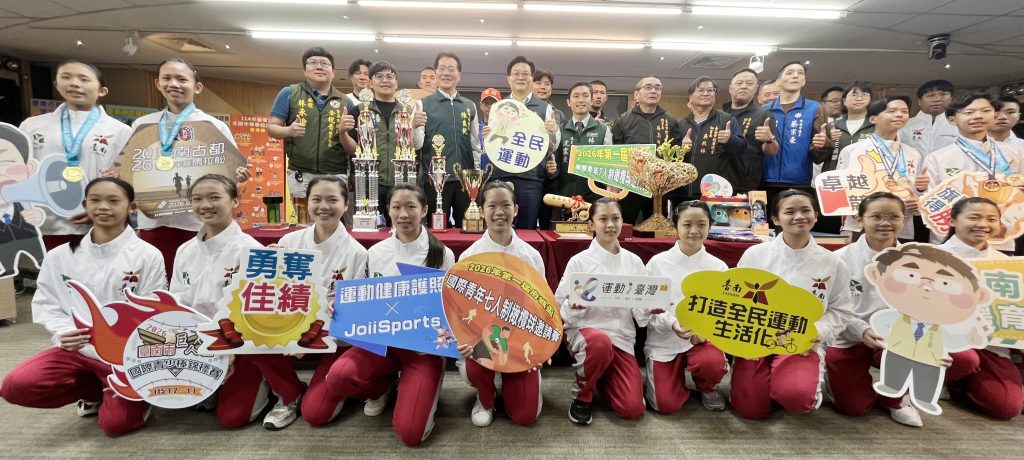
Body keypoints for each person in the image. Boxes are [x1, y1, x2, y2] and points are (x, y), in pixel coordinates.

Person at [0, 178, 164, 436]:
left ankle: (136, 396)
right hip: (78, 348)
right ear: (85, 205)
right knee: (15, 386)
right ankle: (93, 389)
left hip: (124, 357)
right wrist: (63, 331)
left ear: (131, 207)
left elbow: (153, 307)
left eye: (113, 201)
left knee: (116, 425)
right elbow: (46, 302)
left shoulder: (148, 254)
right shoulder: (60, 255)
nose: (103, 207)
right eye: (95, 200)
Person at [325, 184, 454, 446]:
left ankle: (427, 382)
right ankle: (381, 388)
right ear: (388, 210)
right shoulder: (376, 253)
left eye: (411, 207)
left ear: (424, 210)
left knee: (411, 434)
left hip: (422, 350)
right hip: (380, 344)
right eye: (397, 207)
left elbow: (449, 307)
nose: (403, 214)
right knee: (338, 377)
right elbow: (362, 299)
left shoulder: (442, 254)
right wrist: (339, 305)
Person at [171, 174, 302, 429]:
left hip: (242, 346)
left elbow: (259, 319)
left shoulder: (251, 250)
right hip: (198, 342)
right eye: (197, 199)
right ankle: (217, 386)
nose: (205, 205)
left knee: (233, 418)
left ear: (234, 201)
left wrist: (227, 349)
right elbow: (177, 303)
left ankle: (287, 391)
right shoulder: (184, 251)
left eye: (214, 197)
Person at [731, 189, 855, 419]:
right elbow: (735, 300)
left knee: (797, 397)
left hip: (800, 341)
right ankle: (768, 381)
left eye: (806, 210)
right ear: (776, 219)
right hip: (756, 337)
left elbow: (841, 310)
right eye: (790, 212)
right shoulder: (755, 255)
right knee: (751, 411)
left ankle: (795, 382)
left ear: (816, 216)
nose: (799, 216)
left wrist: (814, 332)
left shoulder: (833, 263)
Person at [132, 58, 249, 279]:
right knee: (160, 279)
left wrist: (238, 176)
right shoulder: (143, 125)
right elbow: (132, 169)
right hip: (155, 219)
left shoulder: (213, 126)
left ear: (197, 87)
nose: (173, 84)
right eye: (167, 78)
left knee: (203, 279)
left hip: (200, 220)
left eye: (181, 79)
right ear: (157, 83)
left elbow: (230, 173)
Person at [276, 176, 368, 427]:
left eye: (332, 200)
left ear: (346, 205)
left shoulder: (357, 253)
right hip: (287, 332)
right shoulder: (288, 243)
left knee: (315, 414)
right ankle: (287, 392)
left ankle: (342, 383)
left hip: (333, 341)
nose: (324, 207)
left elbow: (352, 313)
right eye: (316, 199)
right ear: (307, 202)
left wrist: (309, 336)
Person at [826, 192, 924, 426]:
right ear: (859, 219)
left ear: (904, 220)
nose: (885, 223)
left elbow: (927, 305)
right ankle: (837, 381)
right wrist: (859, 329)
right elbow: (829, 306)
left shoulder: (920, 261)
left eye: (893, 217)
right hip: (847, 336)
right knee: (855, 407)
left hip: (895, 338)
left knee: (921, 349)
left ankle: (896, 399)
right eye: (876, 216)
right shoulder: (838, 259)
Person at [555, 197, 655, 424]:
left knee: (632, 409)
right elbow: (558, 305)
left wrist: (650, 309)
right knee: (599, 344)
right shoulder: (579, 262)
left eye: (615, 219)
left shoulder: (634, 262)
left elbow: (639, 314)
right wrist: (572, 306)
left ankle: (598, 376)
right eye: (603, 219)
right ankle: (581, 395)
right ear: (591, 225)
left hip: (621, 337)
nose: (610, 225)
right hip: (586, 333)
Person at [457, 180, 546, 427]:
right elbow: (460, 307)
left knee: (525, 416)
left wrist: (541, 346)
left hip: (520, 339)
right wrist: (465, 340)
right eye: (492, 206)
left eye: (506, 205)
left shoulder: (531, 256)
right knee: (474, 366)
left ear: (516, 209)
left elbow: (542, 307)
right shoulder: (469, 257)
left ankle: (519, 385)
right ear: (481, 210)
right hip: (483, 338)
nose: (499, 212)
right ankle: (485, 396)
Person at [18, 60, 132, 250]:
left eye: (84, 79)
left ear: (101, 90)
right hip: (43, 219)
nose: (74, 83)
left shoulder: (120, 130)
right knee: (50, 268)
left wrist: (102, 209)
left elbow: (128, 179)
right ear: (56, 84)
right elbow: (19, 172)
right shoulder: (32, 126)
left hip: (98, 221)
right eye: (66, 77)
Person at [644, 201, 730, 414]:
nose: (694, 231)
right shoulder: (657, 263)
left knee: (711, 362)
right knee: (665, 405)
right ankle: (670, 383)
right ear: (675, 226)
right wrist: (672, 323)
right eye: (687, 224)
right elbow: (647, 307)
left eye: (701, 224)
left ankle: (708, 387)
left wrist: (705, 331)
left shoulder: (719, 267)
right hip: (664, 338)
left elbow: (725, 311)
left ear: (709, 226)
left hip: (702, 339)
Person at [921, 93, 1024, 248]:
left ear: (995, 115)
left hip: (1003, 236)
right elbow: (930, 203)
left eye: (985, 111)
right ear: (952, 120)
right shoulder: (937, 158)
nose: (978, 116)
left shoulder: (1015, 153)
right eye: (969, 112)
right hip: (952, 240)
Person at [340, 61, 425, 226]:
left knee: (402, 229)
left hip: (401, 182)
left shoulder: (408, 112)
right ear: (370, 83)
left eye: (390, 76)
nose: (385, 80)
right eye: (379, 76)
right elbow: (352, 149)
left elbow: (416, 146)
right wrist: (342, 132)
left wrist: (414, 127)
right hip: (368, 182)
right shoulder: (359, 111)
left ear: (396, 83)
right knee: (368, 230)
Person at [836, 96, 926, 242]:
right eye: (892, 111)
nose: (899, 115)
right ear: (873, 119)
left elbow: (917, 193)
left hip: (901, 227)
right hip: (861, 226)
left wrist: (918, 198)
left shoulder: (913, 154)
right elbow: (840, 191)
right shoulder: (853, 151)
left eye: (904, 111)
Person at [268, 47, 353, 198]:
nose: (319, 67)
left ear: (333, 72)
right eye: (313, 63)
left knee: (333, 212)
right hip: (301, 174)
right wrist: (289, 131)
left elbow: (353, 148)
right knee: (304, 214)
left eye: (324, 63)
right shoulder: (289, 93)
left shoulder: (345, 101)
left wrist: (343, 132)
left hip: (336, 174)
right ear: (305, 71)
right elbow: (272, 128)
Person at [487, 56, 560, 230]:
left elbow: (552, 146)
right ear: (509, 78)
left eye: (525, 74)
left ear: (531, 78)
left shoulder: (544, 108)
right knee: (499, 226)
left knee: (527, 229)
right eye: (516, 73)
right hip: (501, 175)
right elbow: (492, 143)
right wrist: (487, 136)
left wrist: (553, 131)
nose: (521, 77)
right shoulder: (498, 107)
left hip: (530, 178)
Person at [417, 52, 482, 229]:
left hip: (465, 180)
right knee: (437, 229)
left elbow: (475, 144)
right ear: (436, 72)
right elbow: (417, 144)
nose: (446, 73)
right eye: (442, 68)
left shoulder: (469, 106)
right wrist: (414, 126)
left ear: (459, 75)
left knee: (467, 227)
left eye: (451, 69)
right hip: (435, 180)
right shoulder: (423, 104)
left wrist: (476, 176)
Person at [762, 62, 833, 214]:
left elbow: (820, 153)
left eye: (800, 73)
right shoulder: (764, 110)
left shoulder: (815, 108)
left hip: (800, 182)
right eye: (789, 72)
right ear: (778, 81)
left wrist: (822, 144)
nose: (795, 76)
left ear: (804, 81)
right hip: (764, 181)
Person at [612, 75, 682, 225]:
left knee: (657, 228)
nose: (653, 91)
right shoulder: (623, 120)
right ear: (636, 94)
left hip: (658, 187)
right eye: (648, 87)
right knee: (625, 225)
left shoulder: (670, 120)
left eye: (657, 88)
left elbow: (676, 156)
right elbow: (615, 153)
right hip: (630, 185)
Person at [675, 76, 745, 202]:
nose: (706, 93)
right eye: (701, 90)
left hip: (716, 191)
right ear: (690, 97)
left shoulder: (727, 120)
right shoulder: (681, 124)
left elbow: (741, 148)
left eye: (710, 90)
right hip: (683, 191)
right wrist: (680, 149)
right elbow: (670, 159)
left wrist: (730, 140)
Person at [552, 82, 612, 205]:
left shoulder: (603, 130)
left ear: (591, 100)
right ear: (568, 102)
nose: (580, 100)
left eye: (585, 96)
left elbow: (609, 164)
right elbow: (554, 163)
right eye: (576, 96)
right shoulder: (559, 130)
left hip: (594, 198)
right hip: (564, 196)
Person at [0, 123, 46, 277]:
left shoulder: (24, 198)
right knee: (6, 254)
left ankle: (41, 260)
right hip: (4, 241)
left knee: (36, 250)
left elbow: (37, 213)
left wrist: (38, 215)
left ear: (29, 168)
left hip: (28, 234)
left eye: (7, 162)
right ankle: (9, 268)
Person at [725, 68, 779, 194]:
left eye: (749, 83)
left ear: (756, 89)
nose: (744, 86)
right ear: (730, 88)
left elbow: (771, 152)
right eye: (739, 83)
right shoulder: (721, 114)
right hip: (719, 181)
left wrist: (769, 139)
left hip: (746, 184)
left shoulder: (764, 114)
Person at [900, 79, 957, 159]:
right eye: (930, 95)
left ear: (952, 99)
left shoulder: (960, 125)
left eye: (943, 94)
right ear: (920, 102)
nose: (937, 99)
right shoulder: (904, 125)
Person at [477, 87, 501, 171]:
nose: (490, 106)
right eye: (486, 103)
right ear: (481, 105)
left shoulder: (506, 128)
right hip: (480, 174)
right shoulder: (475, 128)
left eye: (494, 103)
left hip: (501, 174)